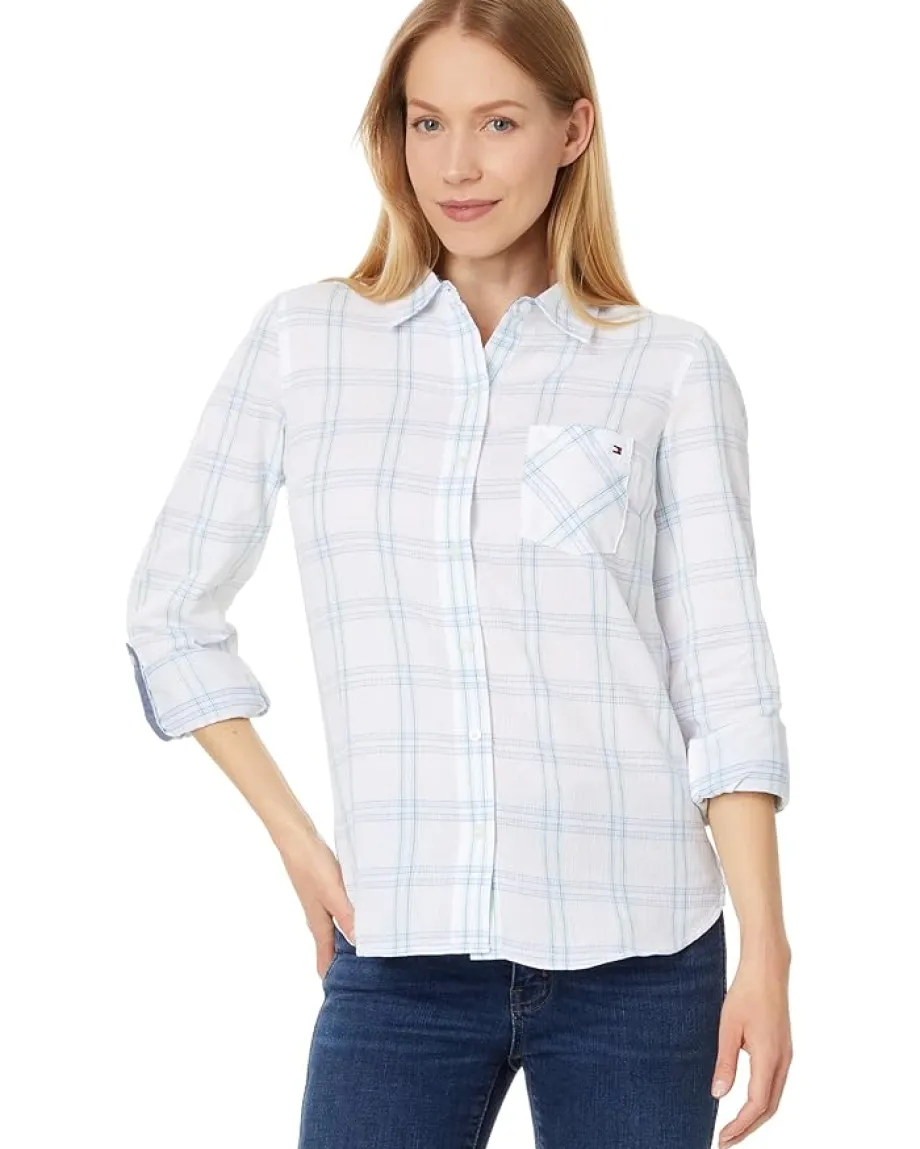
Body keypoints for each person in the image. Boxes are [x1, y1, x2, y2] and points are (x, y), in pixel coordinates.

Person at [124, 2, 793, 1146]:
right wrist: (298, 842)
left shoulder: (666, 368)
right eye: (425, 122)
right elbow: (168, 614)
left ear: (571, 130)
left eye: (497, 123)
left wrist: (767, 954)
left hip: (641, 957)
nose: (455, 166)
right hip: (399, 954)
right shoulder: (304, 345)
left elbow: (723, 683)